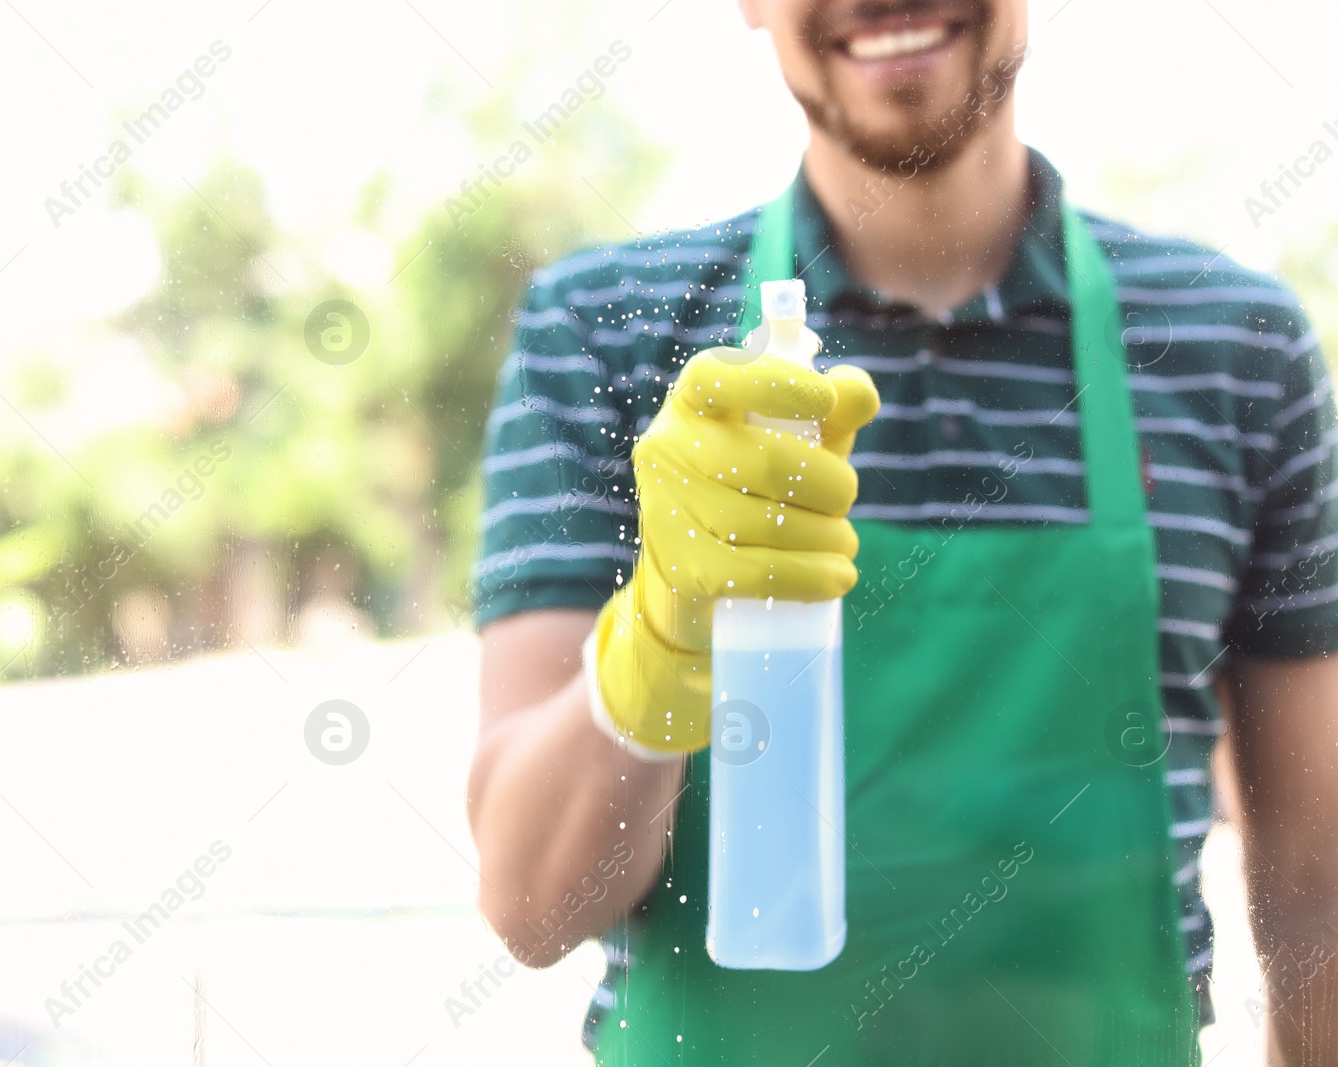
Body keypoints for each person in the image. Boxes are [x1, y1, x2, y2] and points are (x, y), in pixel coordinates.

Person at [466, 1, 1338, 1062]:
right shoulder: (603, 334)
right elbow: (531, 906)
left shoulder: (1231, 350)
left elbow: (1314, 889)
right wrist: (654, 646)